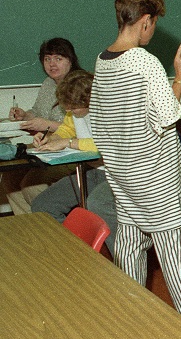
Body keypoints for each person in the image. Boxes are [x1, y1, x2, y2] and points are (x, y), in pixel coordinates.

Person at [90, 0, 181, 339]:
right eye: (153, 23)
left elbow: (101, 121)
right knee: (176, 245)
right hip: (154, 175)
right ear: (145, 21)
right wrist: (180, 78)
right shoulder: (145, 61)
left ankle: (132, 315)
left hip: (123, 173)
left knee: (131, 243)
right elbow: (167, 115)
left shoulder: (102, 60)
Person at [28, 70, 118, 252]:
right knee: (43, 205)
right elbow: (67, 129)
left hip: (115, 174)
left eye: (74, 107)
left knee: (97, 204)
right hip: (91, 170)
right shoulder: (74, 110)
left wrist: (68, 143)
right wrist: (51, 139)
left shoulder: (109, 110)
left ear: (89, 100)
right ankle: (75, 252)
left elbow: (106, 144)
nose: (69, 111)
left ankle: (119, 256)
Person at [8, 37, 82, 133]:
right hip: (49, 138)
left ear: (71, 61)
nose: (52, 64)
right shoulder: (48, 82)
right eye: (47, 59)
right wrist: (24, 116)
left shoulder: (81, 85)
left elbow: (84, 128)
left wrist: (49, 125)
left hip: (73, 141)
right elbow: (37, 112)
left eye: (58, 59)